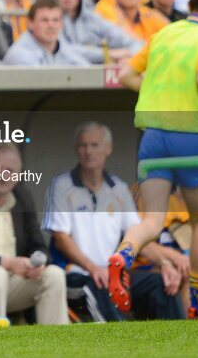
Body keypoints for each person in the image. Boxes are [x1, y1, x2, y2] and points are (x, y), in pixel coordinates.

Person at [113, 0, 198, 320]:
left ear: (190, 3)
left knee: (151, 220)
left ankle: (122, 255)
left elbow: (125, 75)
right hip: (191, 136)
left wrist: (154, 93)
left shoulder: (162, 34)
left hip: (152, 136)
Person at [44, 122, 181, 322]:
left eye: (95, 145)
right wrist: (94, 268)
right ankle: (123, 347)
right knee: (99, 288)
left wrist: (165, 263)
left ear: (108, 149)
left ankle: (176, 342)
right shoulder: (61, 186)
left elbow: (137, 238)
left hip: (113, 276)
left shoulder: (119, 189)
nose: (88, 151)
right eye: (83, 145)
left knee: (158, 283)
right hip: (77, 275)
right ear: (76, 150)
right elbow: (60, 239)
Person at [0, 144, 68, 325]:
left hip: (12, 281)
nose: (3, 176)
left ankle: (57, 344)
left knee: (54, 274)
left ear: (19, 174)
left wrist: (38, 262)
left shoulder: (22, 197)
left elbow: (38, 244)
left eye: (10, 171)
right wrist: (8, 263)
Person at [48, 0, 141, 65]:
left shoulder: (93, 19)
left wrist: (128, 58)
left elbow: (133, 43)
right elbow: (62, 50)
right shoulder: (47, 20)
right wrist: (108, 54)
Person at [2, 0, 89, 67]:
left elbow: (86, 67)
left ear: (62, 24)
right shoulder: (19, 54)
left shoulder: (63, 48)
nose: (51, 25)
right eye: (44, 20)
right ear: (30, 23)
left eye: (55, 20)